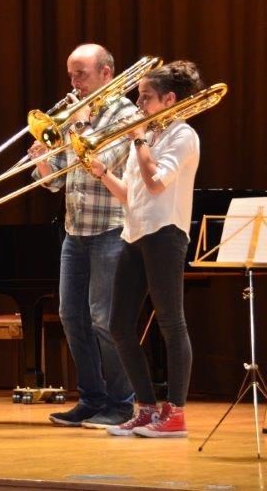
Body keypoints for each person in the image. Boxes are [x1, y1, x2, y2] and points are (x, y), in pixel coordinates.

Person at [90, 61, 203, 438]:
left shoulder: (183, 135)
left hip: (165, 234)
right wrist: (102, 172)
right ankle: (147, 408)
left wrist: (138, 139)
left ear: (169, 99)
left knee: (171, 322)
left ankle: (176, 414)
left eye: (145, 97)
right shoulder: (150, 136)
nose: (138, 104)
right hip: (135, 233)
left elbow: (156, 184)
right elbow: (129, 194)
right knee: (119, 325)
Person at [29, 43, 138, 429]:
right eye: (71, 74)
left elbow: (102, 162)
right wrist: (43, 160)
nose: (73, 82)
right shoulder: (75, 113)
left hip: (110, 229)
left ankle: (122, 402)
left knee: (104, 320)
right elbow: (54, 181)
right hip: (74, 230)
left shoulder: (125, 113)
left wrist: (78, 124)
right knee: (71, 316)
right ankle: (92, 398)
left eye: (81, 74)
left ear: (106, 73)